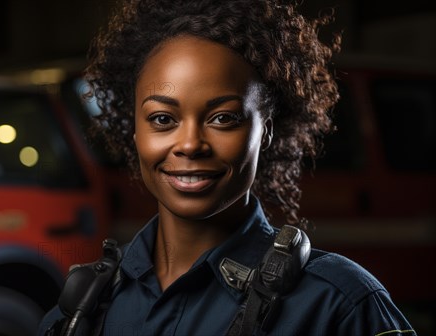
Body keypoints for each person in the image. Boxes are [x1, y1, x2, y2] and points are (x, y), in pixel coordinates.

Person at [39, 0, 416, 335]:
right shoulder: (80, 310)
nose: (189, 144)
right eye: (162, 119)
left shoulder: (339, 306)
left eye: (223, 118)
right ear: (134, 130)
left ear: (264, 131)